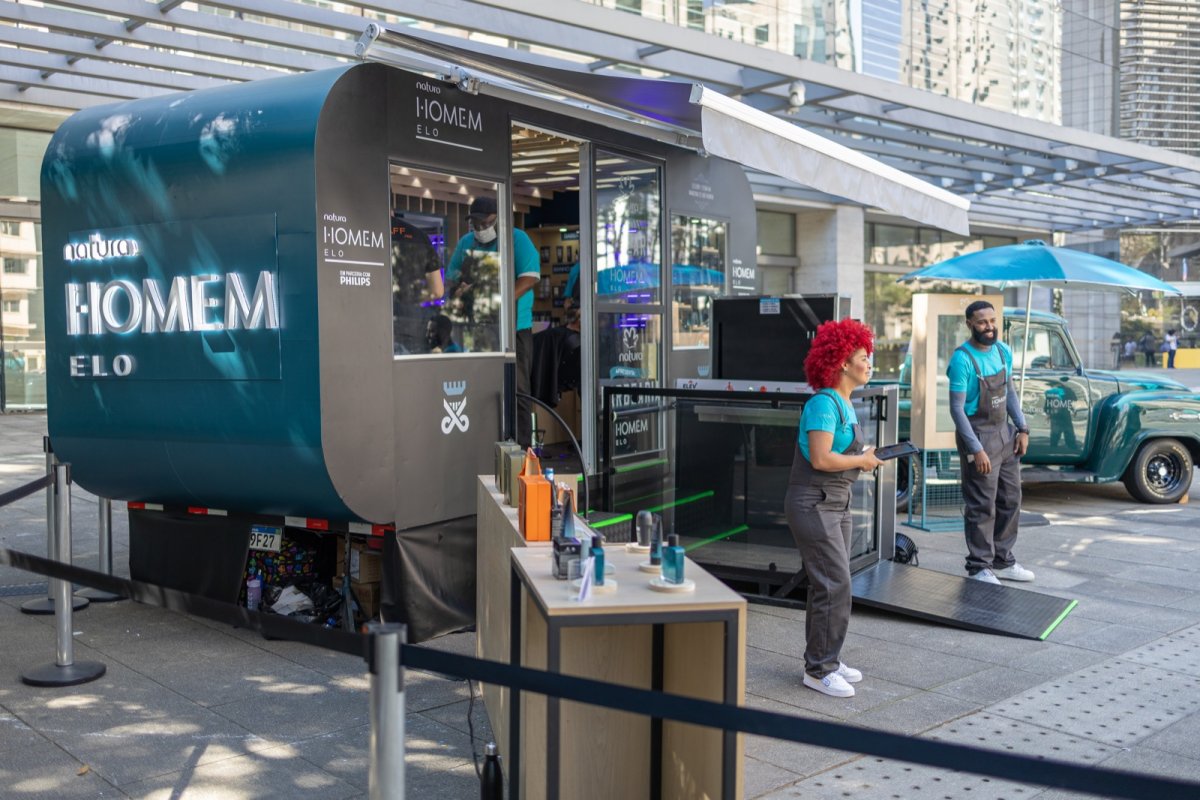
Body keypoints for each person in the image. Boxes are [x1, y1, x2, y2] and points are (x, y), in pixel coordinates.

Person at [785, 318, 882, 698]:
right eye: (863, 357)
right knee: (834, 582)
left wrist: (867, 457)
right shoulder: (823, 404)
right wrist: (862, 461)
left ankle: (828, 657)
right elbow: (823, 459)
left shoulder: (845, 403)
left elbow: (841, 456)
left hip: (836, 503)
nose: (869, 363)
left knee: (830, 584)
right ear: (842, 362)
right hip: (813, 503)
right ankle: (818, 670)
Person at [948, 300, 1033, 586]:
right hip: (978, 435)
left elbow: (1009, 393)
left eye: (992, 321)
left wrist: (1022, 428)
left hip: (1004, 433)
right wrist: (976, 449)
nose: (989, 327)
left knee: (1010, 499)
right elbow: (957, 410)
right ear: (970, 324)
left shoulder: (1002, 351)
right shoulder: (962, 359)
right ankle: (979, 566)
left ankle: (1003, 560)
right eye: (982, 322)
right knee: (982, 505)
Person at [445, 196, 541, 446]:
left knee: (517, 388)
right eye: (475, 225)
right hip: (477, 328)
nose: (479, 230)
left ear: (498, 220)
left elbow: (529, 278)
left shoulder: (517, 239)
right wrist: (457, 290)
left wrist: (499, 300)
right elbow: (451, 280)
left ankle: (522, 448)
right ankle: (482, 443)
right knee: (479, 386)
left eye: (484, 223)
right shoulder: (466, 243)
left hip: (514, 328)